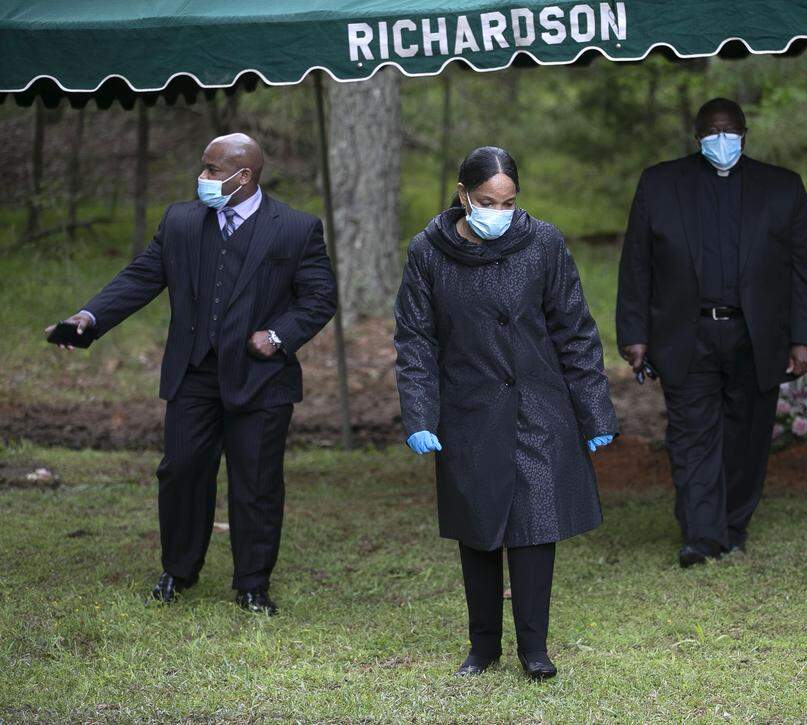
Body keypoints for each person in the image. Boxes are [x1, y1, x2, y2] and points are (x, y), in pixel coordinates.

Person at [45, 133, 337, 615]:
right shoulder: (181, 221)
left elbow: (319, 297)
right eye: (202, 168)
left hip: (261, 377)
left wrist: (279, 335)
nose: (201, 179)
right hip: (194, 374)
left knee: (257, 481)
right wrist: (89, 317)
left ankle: (252, 584)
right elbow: (141, 276)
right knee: (180, 471)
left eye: (212, 170)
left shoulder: (296, 228)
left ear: (243, 176)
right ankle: (179, 570)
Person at [394, 146, 618, 679]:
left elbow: (575, 331)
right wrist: (421, 415)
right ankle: (483, 646)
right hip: (468, 409)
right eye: (487, 201)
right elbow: (415, 340)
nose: (498, 211)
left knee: (536, 526)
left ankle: (534, 649)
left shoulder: (543, 243)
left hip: (540, 407)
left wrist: (594, 413)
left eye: (509, 201)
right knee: (478, 527)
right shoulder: (428, 252)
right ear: (462, 195)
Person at [616, 98, 807, 568]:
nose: (721, 140)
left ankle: (732, 525)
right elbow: (636, 265)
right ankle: (702, 535)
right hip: (685, 333)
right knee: (692, 435)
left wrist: (805, 337)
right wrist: (635, 333)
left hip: (757, 336)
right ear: (697, 137)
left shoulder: (782, 188)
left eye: (729, 132)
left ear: (745, 135)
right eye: (711, 132)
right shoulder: (660, 184)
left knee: (747, 436)